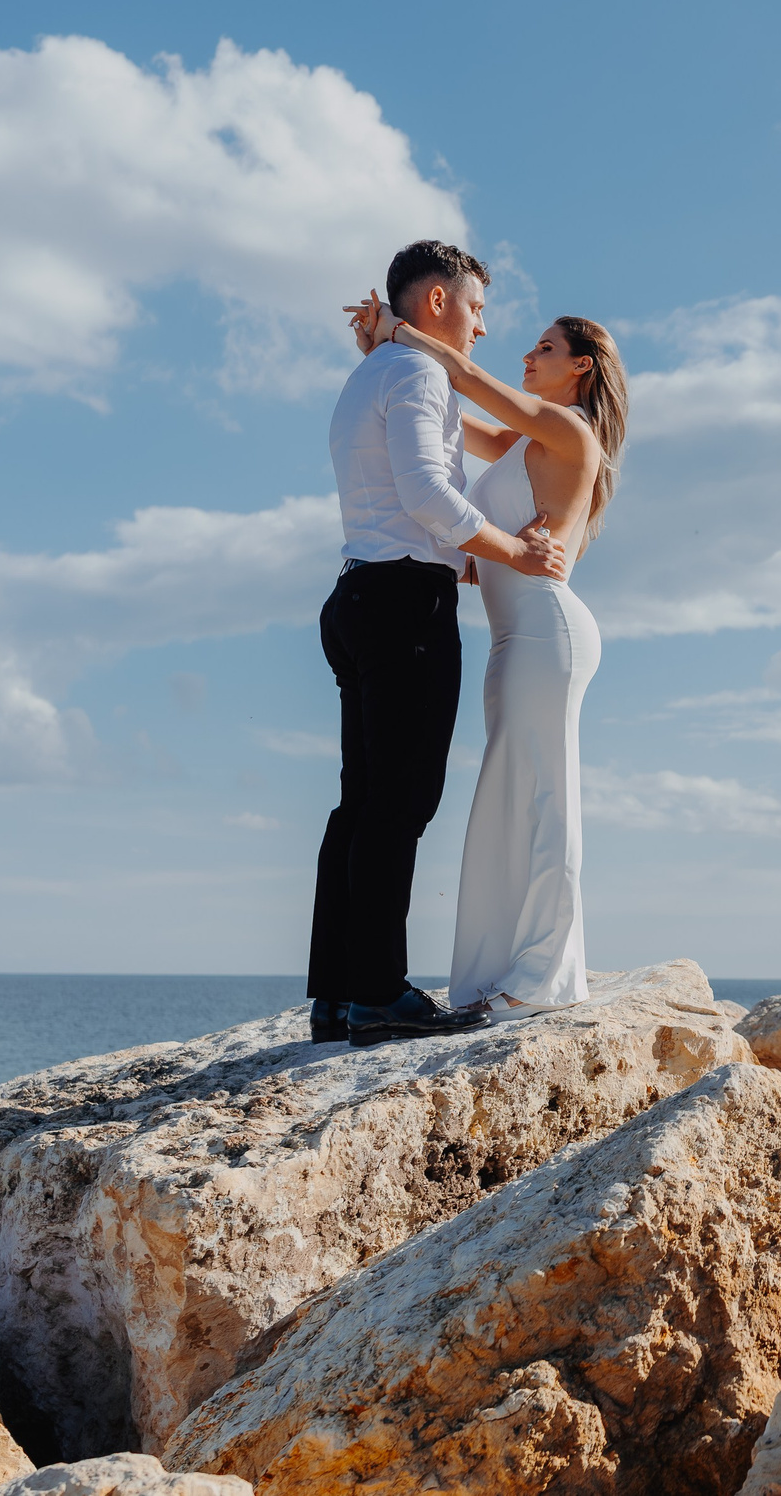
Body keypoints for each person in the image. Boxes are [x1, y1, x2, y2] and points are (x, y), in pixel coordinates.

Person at [312, 240, 566, 1047]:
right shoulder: (419, 373)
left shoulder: (369, 375)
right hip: (399, 604)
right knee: (400, 804)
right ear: (436, 304)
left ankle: (339, 992)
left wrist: (462, 552)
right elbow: (427, 491)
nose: (484, 327)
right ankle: (380, 994)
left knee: (360, 803)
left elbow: (407, 493)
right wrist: (513, 551)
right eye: (478, 308)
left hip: (357, 593)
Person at [347, 292, 627, 1018]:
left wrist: (397, 330)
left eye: (544, 350)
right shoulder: (526, 448)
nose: (528, 356)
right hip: (514, 639)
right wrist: (386, 358)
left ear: (581, 370)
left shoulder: (569, 430)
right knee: (510, 800)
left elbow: (469, 382)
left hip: (547, 633)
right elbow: (448, 417)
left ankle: (543, 978)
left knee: (545, 796)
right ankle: (503, 969)